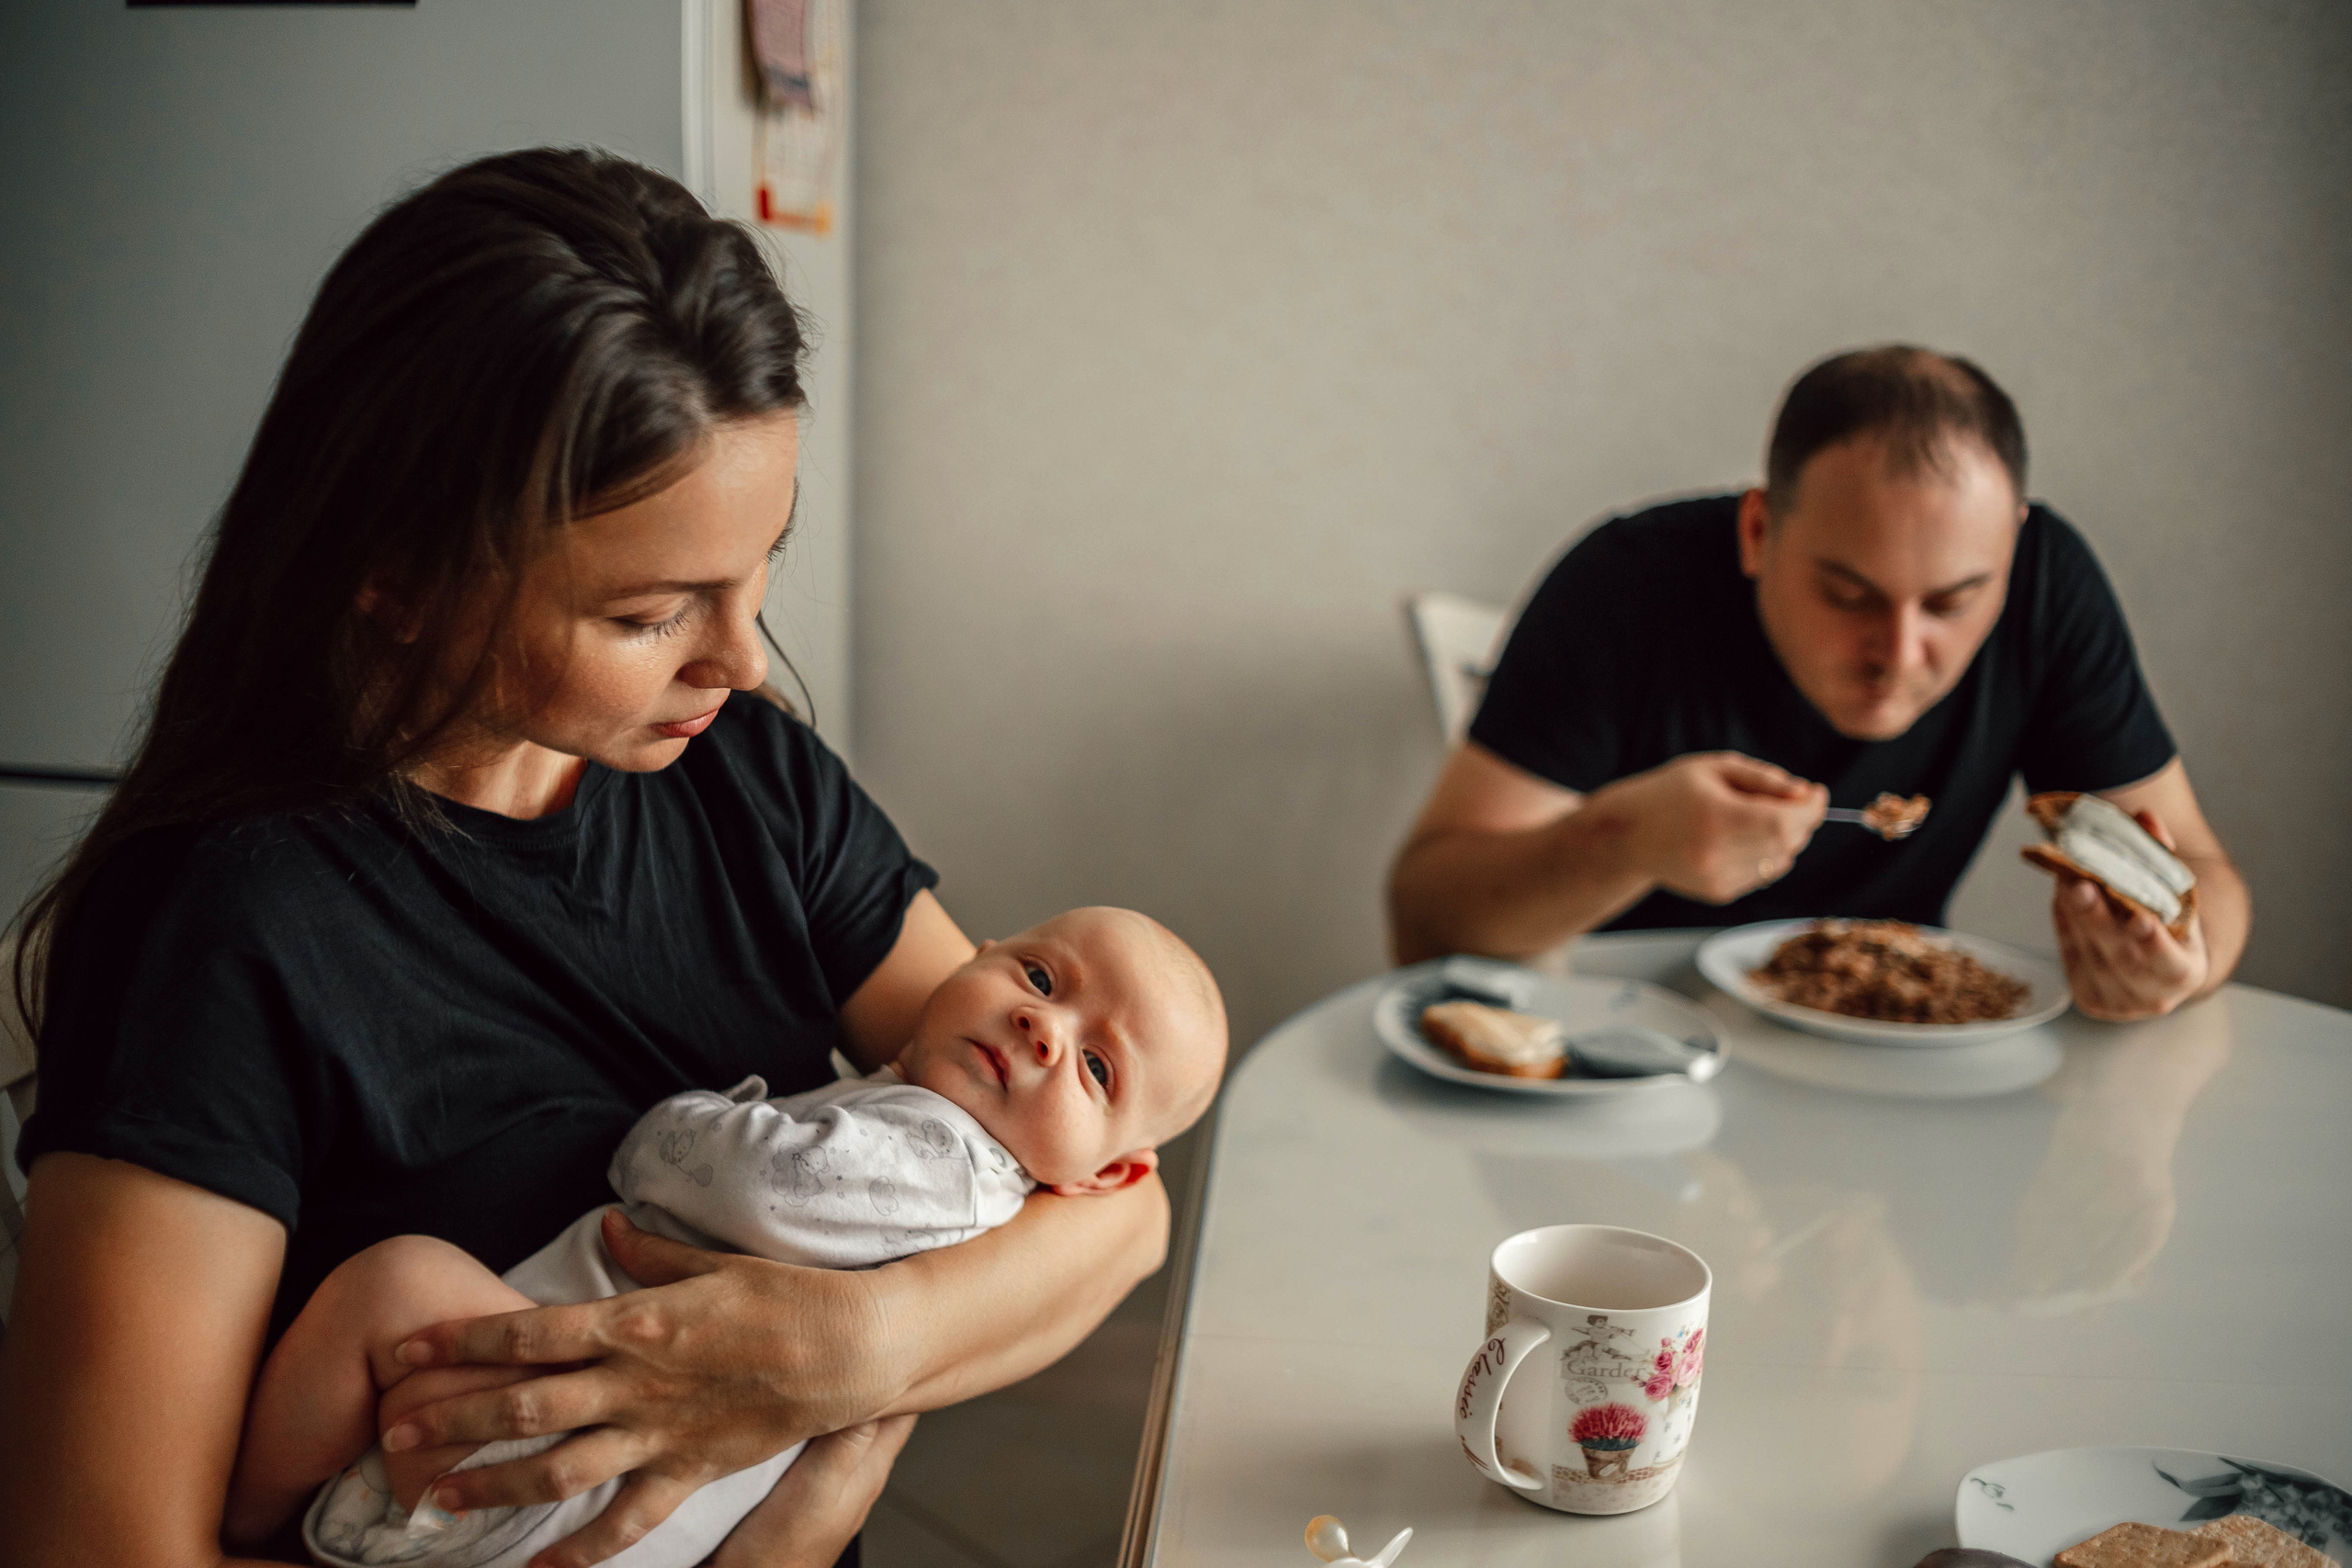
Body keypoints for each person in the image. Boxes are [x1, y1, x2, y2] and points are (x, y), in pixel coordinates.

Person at [1, 149, 1177, 1568]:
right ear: (398, 575)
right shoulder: (222, 923)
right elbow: (99, 1543)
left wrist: (841, 1348)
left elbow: (1114, 1201)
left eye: (759, 570)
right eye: (651, 611)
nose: (741, 660)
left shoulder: (753, 777)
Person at [225, 908, 1227, 1568]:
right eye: (1041, 976)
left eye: (1098, 1070)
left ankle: (243, 1526)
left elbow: (743, 1180)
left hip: (578, 1456)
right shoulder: (939, 1144)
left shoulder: (944, 1159)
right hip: (626, 1503)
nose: (1045, 1029)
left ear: (1105, 1173)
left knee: (396, 1286)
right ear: (973, 954)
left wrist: (678, 1126)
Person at [1387, 346, 2248, 1021]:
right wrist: (1623, 840)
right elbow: (1427, 913)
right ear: (1759, 531)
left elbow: (2205, 877)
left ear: (2012, 552)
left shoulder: (2049, 587)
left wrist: (2174, 958)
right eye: (1848, 595)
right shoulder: (1625, 586)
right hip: (1623, 1051)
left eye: (1955, 600)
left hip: (1898, 1070)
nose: (1901, 653)